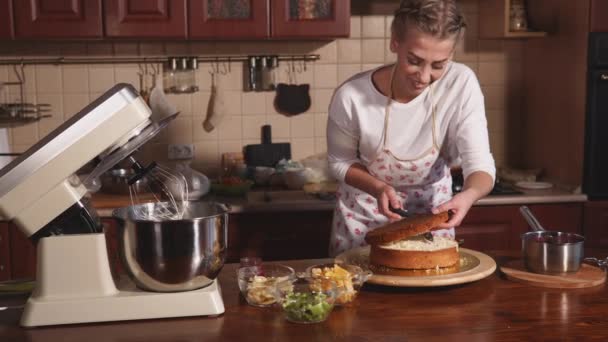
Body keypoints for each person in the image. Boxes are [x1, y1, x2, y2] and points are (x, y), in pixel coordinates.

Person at [327, 0, 496, 256]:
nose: (424, 76)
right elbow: (339, 162)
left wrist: (469, 195)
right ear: (395, 42)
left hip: (432, 217)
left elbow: (481, 163)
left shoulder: (461, 84)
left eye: (439, 65)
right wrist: (378, 187)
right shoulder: (351, 95)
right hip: (364, 217)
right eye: (414, 60)